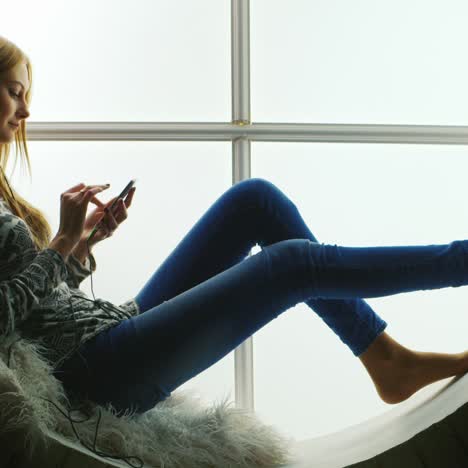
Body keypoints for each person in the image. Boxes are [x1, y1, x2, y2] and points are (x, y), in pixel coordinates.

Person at [1, 36, 467, 419]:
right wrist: (60, 244)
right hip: (94, 371)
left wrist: (83, 245)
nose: (25, 113)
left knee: (253, 200)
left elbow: (43, 310)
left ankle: (382, 356)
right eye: (16, 92)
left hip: (106, 333)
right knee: (293, 264)